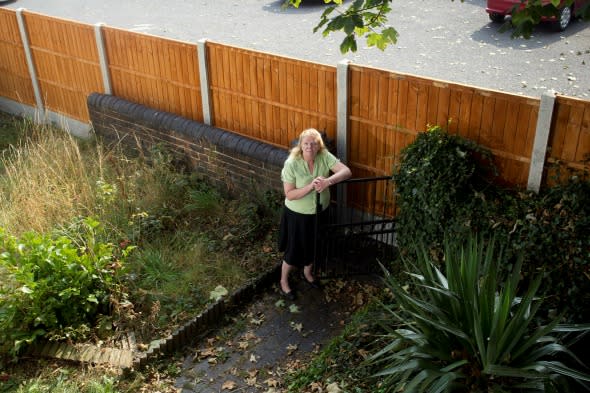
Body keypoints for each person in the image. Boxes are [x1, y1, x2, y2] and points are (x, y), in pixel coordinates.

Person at [278, 128, 352, 300]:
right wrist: (311, 186)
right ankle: (283, 281)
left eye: (314, 143)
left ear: (319, 146)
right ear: (300, 145)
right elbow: (289, 194)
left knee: (314, 245)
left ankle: (307, 273)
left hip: (320, 212)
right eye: (306, 143)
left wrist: (328, 181)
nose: (310, 147)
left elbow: (346, 171)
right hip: (298, 215)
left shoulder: (324, 156)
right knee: (294, 250)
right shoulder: (291, 163)